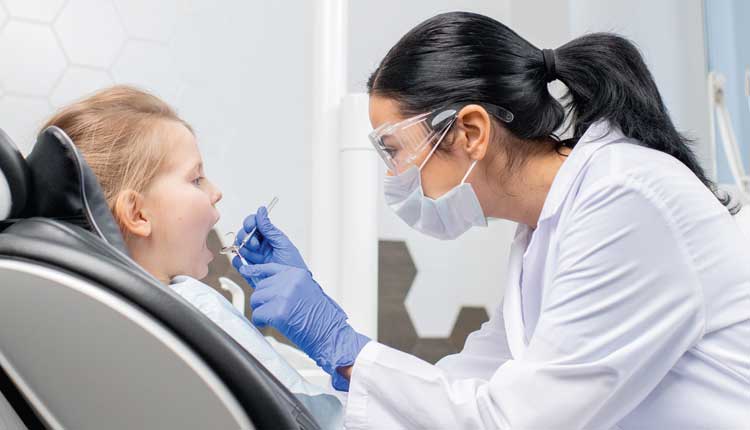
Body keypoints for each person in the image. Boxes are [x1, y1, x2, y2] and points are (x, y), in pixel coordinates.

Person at [232, 12, 750, 429]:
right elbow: (461, 387)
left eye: (394, 151)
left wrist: (340, 343)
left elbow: (509, 421)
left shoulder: (625, 199)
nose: (394, 177)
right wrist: (336, 357)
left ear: (471, 131)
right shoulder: (545, 231)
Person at [41, 85, 344, 429]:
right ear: (138, 214)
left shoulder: (89, 327)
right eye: (196, 178)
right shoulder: (196, 306)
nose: (216, 192)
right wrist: (340, 348)